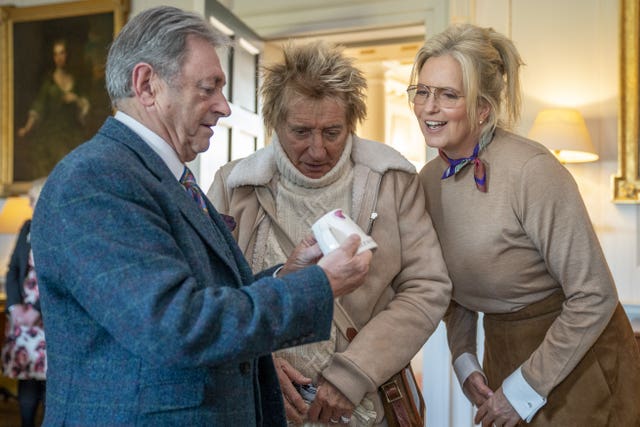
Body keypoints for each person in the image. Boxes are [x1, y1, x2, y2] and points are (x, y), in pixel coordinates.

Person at [29, 7, 372, 426]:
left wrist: (291, 276)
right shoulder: (94, 179)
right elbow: (176, 324)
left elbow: (203, 293)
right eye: (208, 88)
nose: (225, 108)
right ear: (146, 85)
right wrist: (319, 286)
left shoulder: (162, 175)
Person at [208, 41, 452, 426]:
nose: (317, 150)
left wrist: (354, 372)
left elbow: (428, 288)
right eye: (301, 131)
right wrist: (260, 360)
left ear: (351, 124)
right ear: (274, 122)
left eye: (332, 132)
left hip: (365, 406)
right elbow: (212, 299)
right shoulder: (234, 185)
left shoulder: (392, 180)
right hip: (265, 405)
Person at [410, 23, 640, 426]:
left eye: (448, 95)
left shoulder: (532, 171)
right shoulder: (425, 183)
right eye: (423, 91)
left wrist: (524, 389)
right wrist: (465, 362)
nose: (429, 107)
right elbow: (452, 289)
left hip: (581, 358)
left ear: (483, 108)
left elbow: (594, 296)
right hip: (503, 353)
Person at [2, 177, 47, 427]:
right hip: (22, 315)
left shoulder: (59, 228)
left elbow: (61, 275)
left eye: (32, 199)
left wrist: (38, 311)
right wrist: (14, 305)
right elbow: (13, 269)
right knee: (26, 374)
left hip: (48, 314)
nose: (29, 204)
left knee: (48, 378)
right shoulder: (27, 227)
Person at [16, 39, 90, 180]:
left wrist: (75, 98)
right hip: (53, 134)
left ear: (67, 55)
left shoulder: (76, 81)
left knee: (78, 167)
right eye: (56, 54)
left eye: (62, 53)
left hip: (73, 132)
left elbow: (85, 105)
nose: (59, 57)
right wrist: (26, 128)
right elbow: (38, 105)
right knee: (62, 164)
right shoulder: (49, 81)